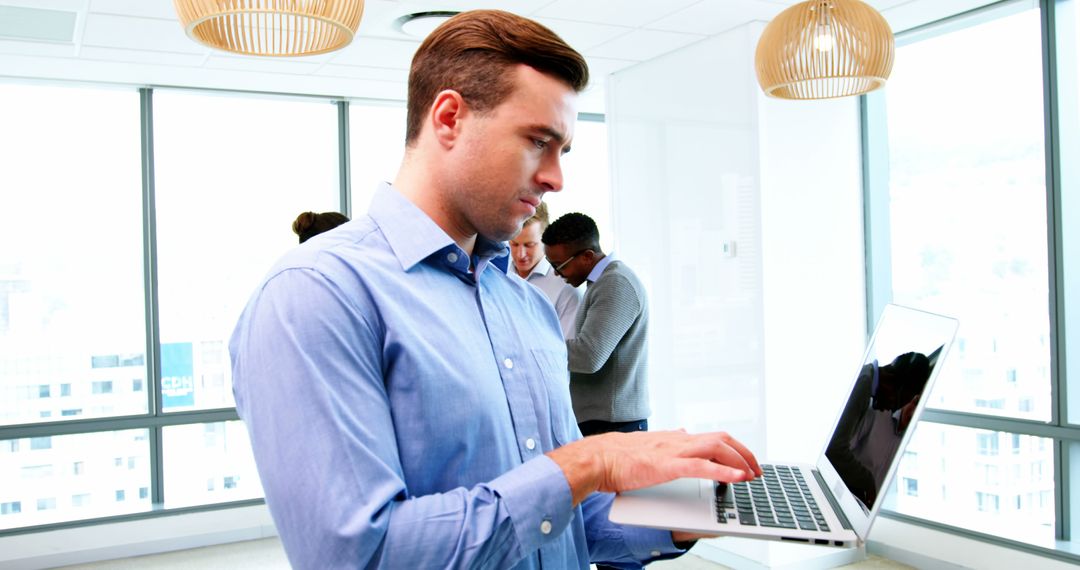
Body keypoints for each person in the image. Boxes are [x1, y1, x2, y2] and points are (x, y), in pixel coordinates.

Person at [230, 10, 760, 569]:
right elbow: (360, 556)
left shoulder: (525, 304)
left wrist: (685, 511)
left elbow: (565, 521)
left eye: (563, 152)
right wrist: (590, 461)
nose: (557, 178)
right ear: (450, 118)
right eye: (539, 141)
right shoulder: (315, 295)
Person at [542, 213, 651, 438]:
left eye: (559, 265)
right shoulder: (601, 283)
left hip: (614, 426)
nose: (555, 273)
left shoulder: (615, 283)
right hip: (605, 422)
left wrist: (537, 345)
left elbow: (589, 357)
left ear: (587, 257)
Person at [826, 351, 932, 510]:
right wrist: (868, 482)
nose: (889, 409)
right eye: (896, 402)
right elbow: (834, 450)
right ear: (892, 381)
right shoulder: (863, 386)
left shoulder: (865, 380)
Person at [509, 202, 582, 339]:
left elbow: (567, 352)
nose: (520, 254)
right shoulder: (497, 276)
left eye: (529, 245)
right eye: (514, 244)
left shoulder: (567, 288)